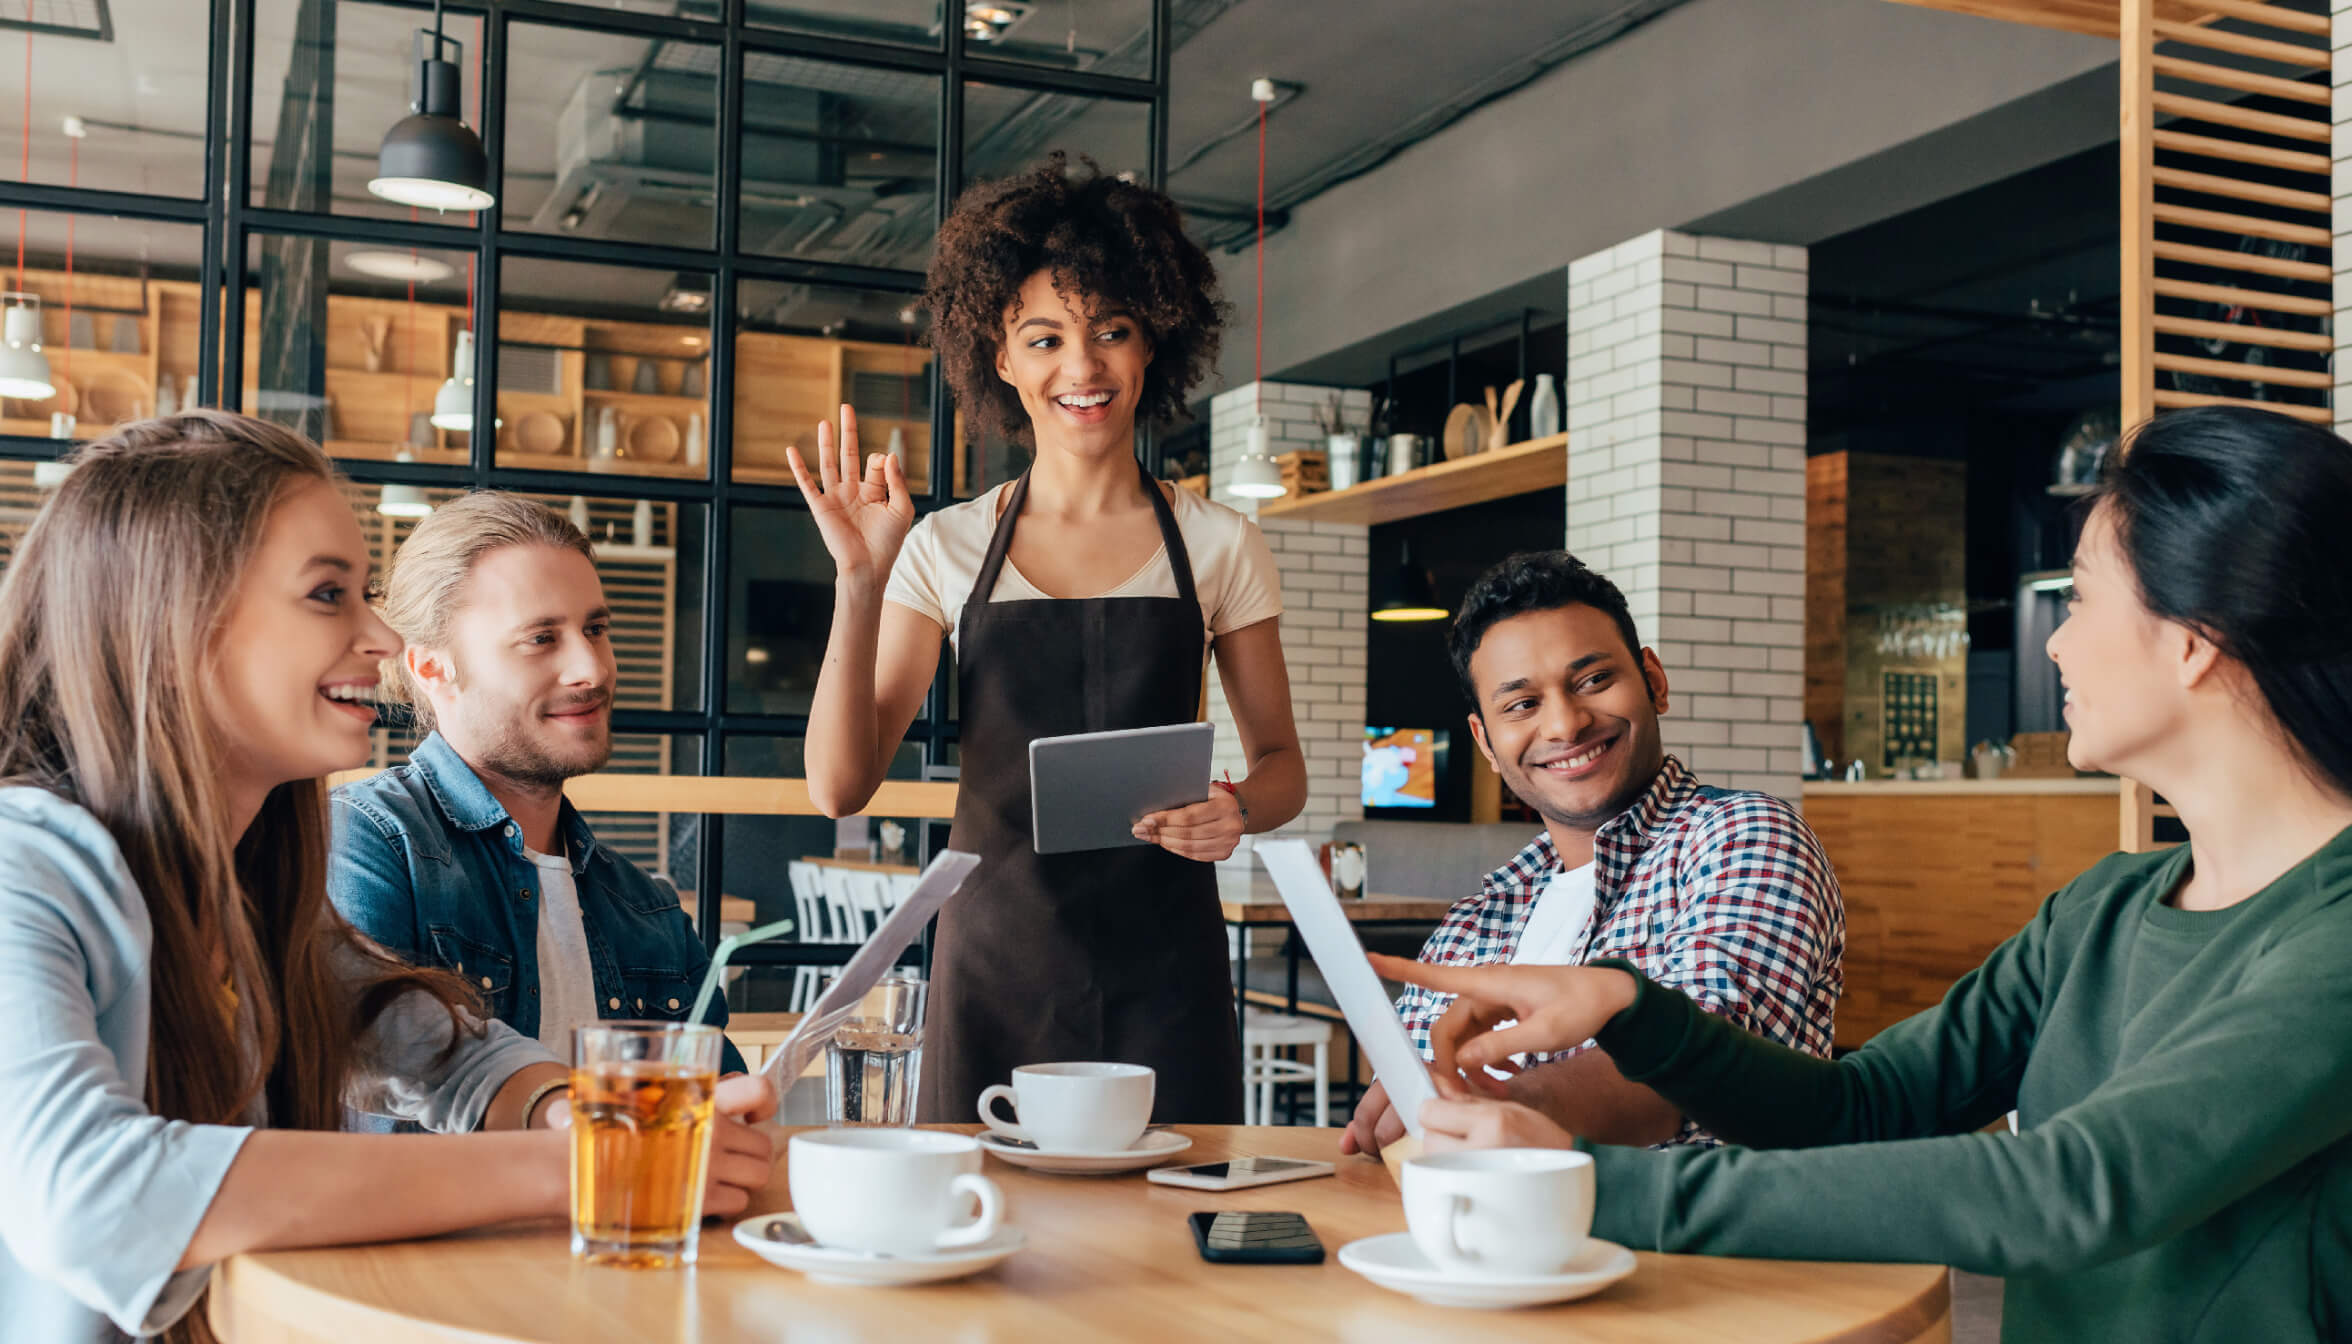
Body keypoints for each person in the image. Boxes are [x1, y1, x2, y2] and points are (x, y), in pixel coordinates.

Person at [1373, 405, 2352, 1344]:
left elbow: (2072, 1187)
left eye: (2083, 596)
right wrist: (1631, 1007)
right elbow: (1861, 1107)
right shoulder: (2102, 911)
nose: (2053, 638)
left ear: (2193, 643)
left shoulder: (2336, 933)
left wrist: (1582, 1186)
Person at [0, 413, 773, 1344]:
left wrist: (571, 1109)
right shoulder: (21, 863)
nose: (379, 634)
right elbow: (88, 1191)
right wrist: (598, 1165)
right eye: (330, 594)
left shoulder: (251, 880)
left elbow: (438, 1046)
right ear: (175, 619)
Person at [792, 153, 1307, 1124]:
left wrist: (1236, 806)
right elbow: (837, 786)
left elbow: (1285, 765)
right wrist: (859, 582)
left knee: (1170, 1243)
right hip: (997, 962)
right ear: (1000, 356)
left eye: (1112, 330)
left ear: (1153, 341)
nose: (1083, 368)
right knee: (996, 1252)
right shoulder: (944, 546)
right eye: (1045, 338)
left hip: (1170, 965)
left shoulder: (1218, 543)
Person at [1342, 550, 1844, 1155]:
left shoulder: (1744, 837)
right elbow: (1410, 1110)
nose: (1565, 724)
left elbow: (1705, 1069)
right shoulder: (1480, 916)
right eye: (1522, 704)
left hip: (1686, 1244)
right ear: (1485, 741)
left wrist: (1495, 1110)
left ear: (1653, 681)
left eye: (1593, 680)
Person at [331, 492, 747, 1082]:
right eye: (541, 638)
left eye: (596, 628)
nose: (594, 669)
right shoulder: (368, 840)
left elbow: (709, 1113)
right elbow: (367, 1069)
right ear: (431, 667)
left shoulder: (648, 909)